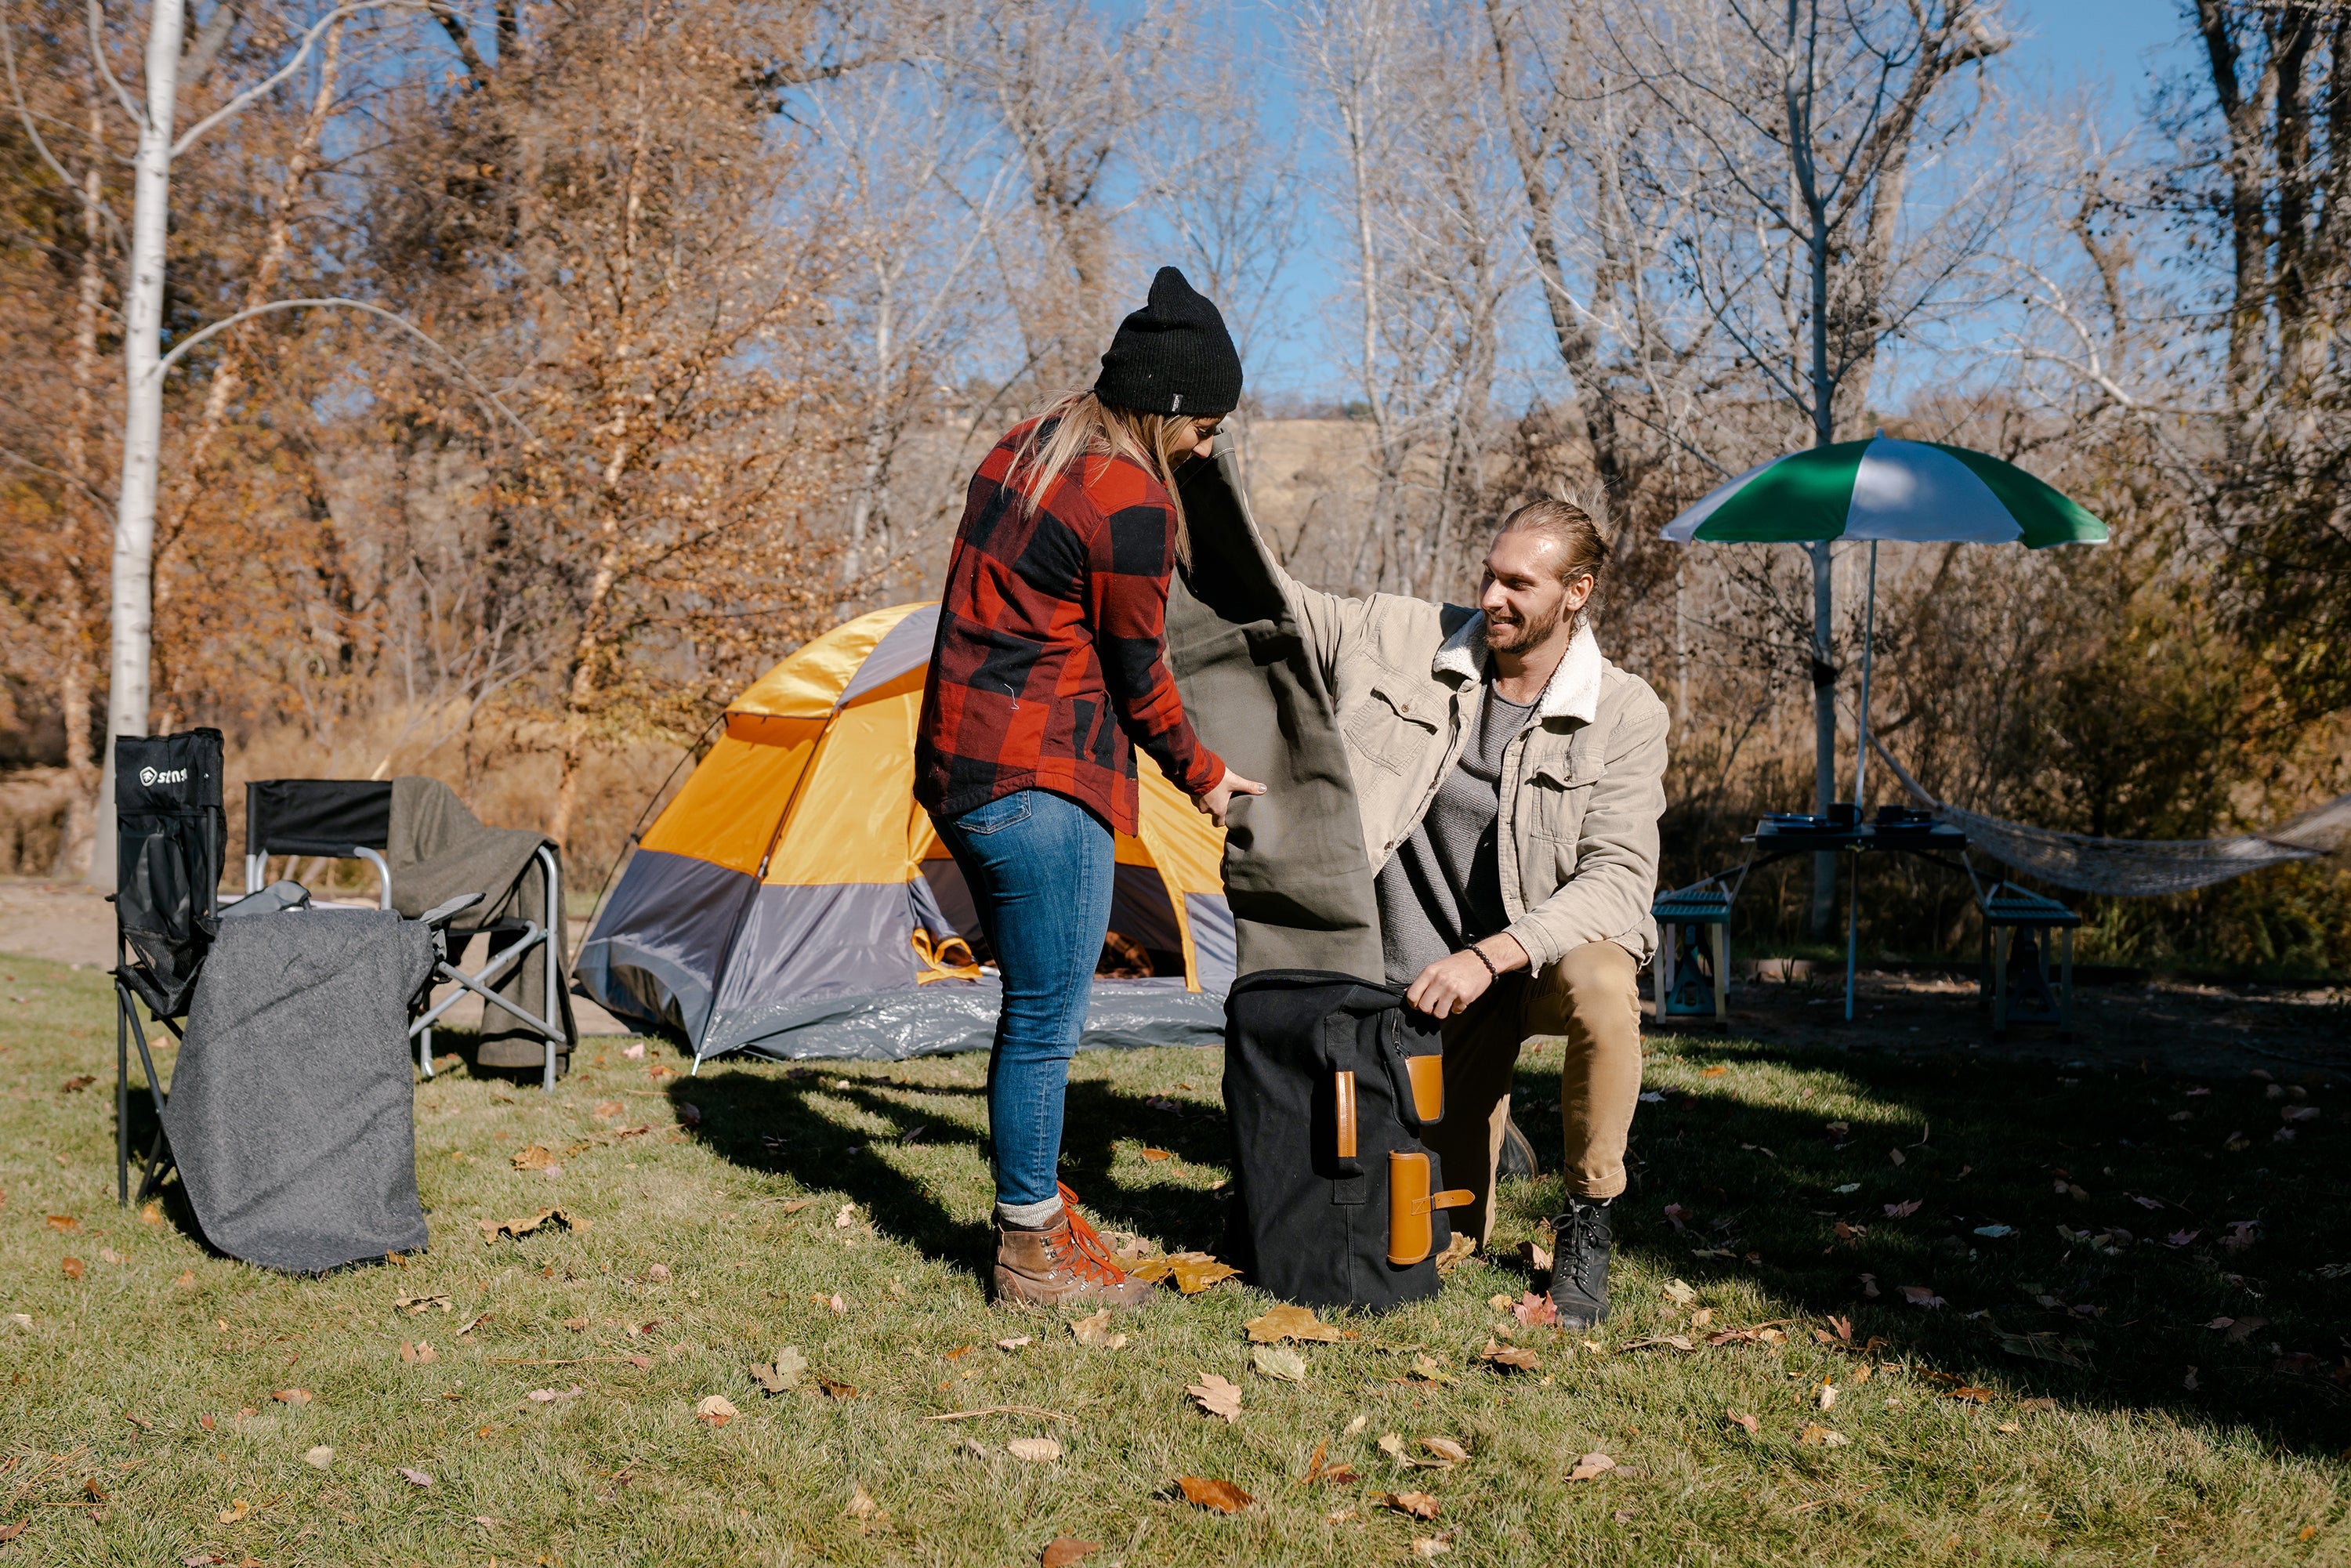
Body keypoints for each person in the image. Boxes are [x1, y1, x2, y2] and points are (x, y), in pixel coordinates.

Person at [1225, 496, 1667, 1327]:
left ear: (1577, 592)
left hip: (1518, 967)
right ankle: (1488, 1149)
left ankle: (1588, 1215)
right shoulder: (1400, 635)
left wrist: (1494, 955)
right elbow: (1275, 597)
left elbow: (1617, 880)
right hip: (1411, 991)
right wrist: (1199, 475)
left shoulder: (1626, 711)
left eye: (1518, 585)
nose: (1493, 598)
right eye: (1489, 576)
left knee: (1608, 982)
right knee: (1441, 1233)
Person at [915, 266, 1265, 1309]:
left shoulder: (1021, 447)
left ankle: (1038, 1210)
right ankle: (1030, 1249)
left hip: (957, 764)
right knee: (1045, 1021)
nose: (1210, 445)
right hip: (1040, 785)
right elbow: (1139, 672)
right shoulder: (1130, 499)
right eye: (1207, 424)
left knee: (1033, 1013)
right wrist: (1202, 775)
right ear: (1165, 409)